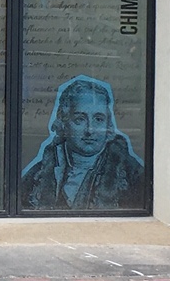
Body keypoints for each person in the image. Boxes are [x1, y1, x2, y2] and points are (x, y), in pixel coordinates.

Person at [20, 77, 144, 211]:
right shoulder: (38, 175)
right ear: (64, 122)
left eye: (98, 119)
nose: (90, 130)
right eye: (80, 119)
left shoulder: (132, 175)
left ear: (108, 124)